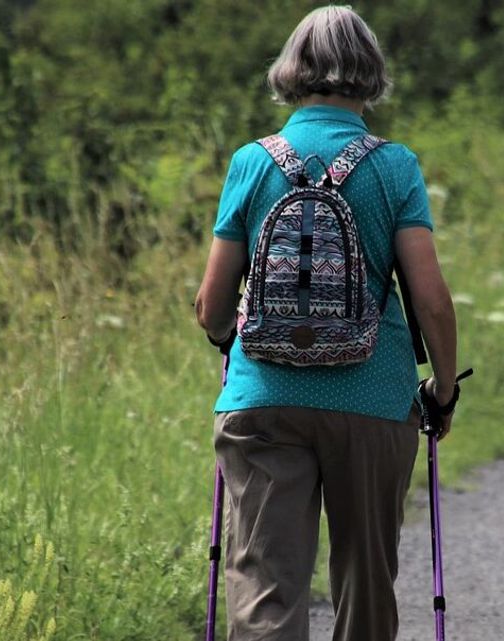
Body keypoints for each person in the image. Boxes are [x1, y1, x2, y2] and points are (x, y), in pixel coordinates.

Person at [193, 6, 459, 640]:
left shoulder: (252, 162)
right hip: (373, 397)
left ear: (293, 71)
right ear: (369, 72)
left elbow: (211, 304)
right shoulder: (394, 166)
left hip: (264, 400)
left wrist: (238, 344)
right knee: (365, 584)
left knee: (264, 585)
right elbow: (431, 300)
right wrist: (442, 390)